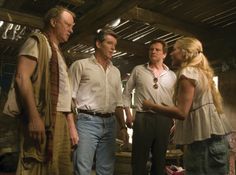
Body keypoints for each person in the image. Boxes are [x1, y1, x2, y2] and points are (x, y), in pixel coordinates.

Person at [143, 37, 232, 175]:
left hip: (203, 145)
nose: (172, 53)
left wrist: (152, 106)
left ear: (185, 53)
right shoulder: (201, 72)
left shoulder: (188, 73)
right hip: (216, 142)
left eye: (175, 50)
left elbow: (182, 113)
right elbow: (193, 107)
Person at [11, 6, 78, 175]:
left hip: (60, 118)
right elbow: (21, 77)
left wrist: (71, 125)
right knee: (37, 165)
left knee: (59, 168)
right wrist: (34, 118)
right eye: (68, 25)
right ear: (54, 22)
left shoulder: (58, 53)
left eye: (72, 26)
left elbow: (65, 93)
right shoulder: (37, 42)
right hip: (44, 116)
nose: (71, 30)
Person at [69, 28, 129, 175]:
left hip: (110, 123)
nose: (113, 48)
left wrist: (122, 127)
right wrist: (71, 126)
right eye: (109, 43)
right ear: (98, 43)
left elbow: (118, 102)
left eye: (115, 44)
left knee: (107, 169)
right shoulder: (80, 65)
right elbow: (69, 98)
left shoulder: (115, 71)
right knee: (83, 168)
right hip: (86, 122)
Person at [122, 39, 176, 175]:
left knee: (159, 160)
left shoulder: (172, 75)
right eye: (151, 49)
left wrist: (176, 122)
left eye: (157, 49)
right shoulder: (139, 70)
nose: (153, 51)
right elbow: (126, 93)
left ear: (164, 54)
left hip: (164, 120)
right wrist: (128, 114)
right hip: (143, 118)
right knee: (139, 159)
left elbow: (176, 100)